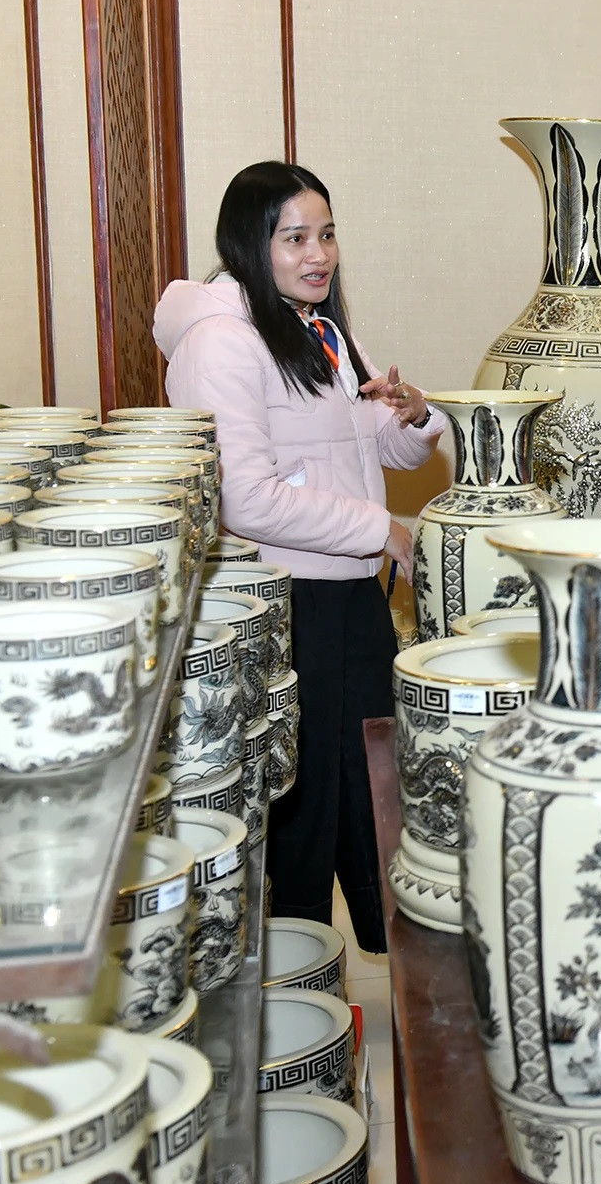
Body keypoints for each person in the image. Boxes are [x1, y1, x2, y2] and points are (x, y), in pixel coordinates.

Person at [154, 160, 444, 955]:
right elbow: (244, 498)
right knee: (305, 816)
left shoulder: (318, 328)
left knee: (376, 798)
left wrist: (414, 417)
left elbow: (372, 446)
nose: (317, 254)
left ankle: (373, 996)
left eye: (325, 234)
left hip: (348, 601)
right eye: (293, 238)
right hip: (286, 606)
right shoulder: (221, 343)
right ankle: (295, 999)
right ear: (251, 244)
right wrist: (380, 528)